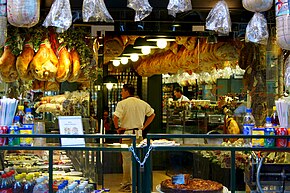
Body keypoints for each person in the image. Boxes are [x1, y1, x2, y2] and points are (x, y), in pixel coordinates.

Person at [113, 84, 155, 192]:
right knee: (138, 160)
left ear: (127, 91)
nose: (121, 93)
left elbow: (115, 117)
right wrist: (144, 127)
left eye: (122, 91)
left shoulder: (122, 103)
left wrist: (117, 128)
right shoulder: (142, 103)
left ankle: (127, 184)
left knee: (127, 160)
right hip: (139, 135)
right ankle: (137, 184)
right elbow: (152, 114)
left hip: (127, 134)